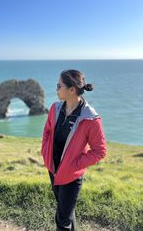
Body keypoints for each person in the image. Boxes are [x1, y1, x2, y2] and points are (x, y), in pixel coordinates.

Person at [41, 69, 107, 231]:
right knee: (67, 213)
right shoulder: (55, 108)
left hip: (71, 176)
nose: (56, 89)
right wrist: (45, 153)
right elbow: (47, 132)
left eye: (59, 85)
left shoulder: (90, 118)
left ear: (72, 89)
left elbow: (100, 150)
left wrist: (75, 164)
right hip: (54, 170)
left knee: (62, 219)